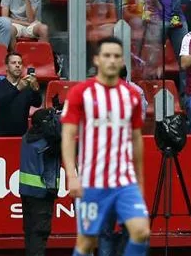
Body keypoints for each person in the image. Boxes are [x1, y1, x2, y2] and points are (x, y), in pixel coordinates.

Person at [60, 36, 150, 256]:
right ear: (97, 60)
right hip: (93, 181)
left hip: (124, 180)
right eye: (107, 55)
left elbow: (136, 139)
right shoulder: (80, 93)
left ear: (121, 62)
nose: (112, 60)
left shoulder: (132, 96)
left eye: (117, 56)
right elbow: (68, 135)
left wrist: (139, 180)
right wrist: (71, 175)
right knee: (86, 242)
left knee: (141, 231)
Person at [19, 108, 61, 256]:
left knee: (30, 233)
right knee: (40, 234)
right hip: (42, 194)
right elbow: (63, 143)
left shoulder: (26, 137)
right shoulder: (46, 143)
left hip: (26, 192)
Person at [0, 52, 42, 137]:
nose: (17, 65)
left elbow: (37, 103)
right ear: (7, 67)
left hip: (22, 137)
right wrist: (17, 89)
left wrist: (35, 89)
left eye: (20, 63)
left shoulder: (26, 86)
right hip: (1, 137)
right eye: (13, 63)